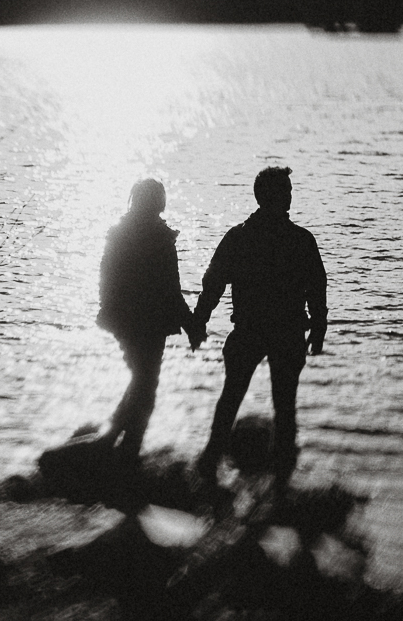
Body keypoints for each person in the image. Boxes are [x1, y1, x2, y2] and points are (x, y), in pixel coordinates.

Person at [191, 166, 327, 484]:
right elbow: (316, 288)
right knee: (282, 405)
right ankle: (281, 479)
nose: (291, 196)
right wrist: (318, 326)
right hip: (282, 331)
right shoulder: (299, 240)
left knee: (234, 398)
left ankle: (210, 463)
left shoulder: (240, 237)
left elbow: (213, 284)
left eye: (290, 190)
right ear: (272, 196)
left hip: (255, 331)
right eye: (286, 191)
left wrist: (199, 321)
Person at [96, 178, 206, 457]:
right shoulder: (159, 238)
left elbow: (105, 279)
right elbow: (171, 288)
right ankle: (123, 445)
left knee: (141, 381)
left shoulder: (119, 233)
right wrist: (192, 325)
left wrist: (109, 312)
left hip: (125, 320)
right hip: (149, 321)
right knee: (146, 384)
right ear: (158, 202)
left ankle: (117, 441)